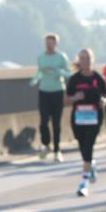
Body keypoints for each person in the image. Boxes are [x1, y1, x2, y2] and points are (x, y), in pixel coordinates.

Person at [67, 49, 106, 197]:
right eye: (82, 58)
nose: (85, 61)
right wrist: (75, 98)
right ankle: (90, 164)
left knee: (89, 146)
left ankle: (84, 183)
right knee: (82, 147)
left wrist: (104, 101)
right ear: (79, 61)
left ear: (92, 60)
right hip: (78, 118)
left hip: (94, 118)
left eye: (88, 58)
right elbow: (65, 100)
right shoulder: (74, 80)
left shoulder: (98, 78)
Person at [31, 33, 72, 161]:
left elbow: (68, 73)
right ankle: (46, 144)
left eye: (51, 43)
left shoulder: (61, 57)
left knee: (56, 123)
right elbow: (40, 72)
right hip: (44, 91)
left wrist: (58, 71)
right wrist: (35, 79)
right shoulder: (41, 57)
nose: (49, 45)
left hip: (58, 91)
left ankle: (57, 150)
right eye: (47, 42)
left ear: (56, 44)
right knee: (43, 122)